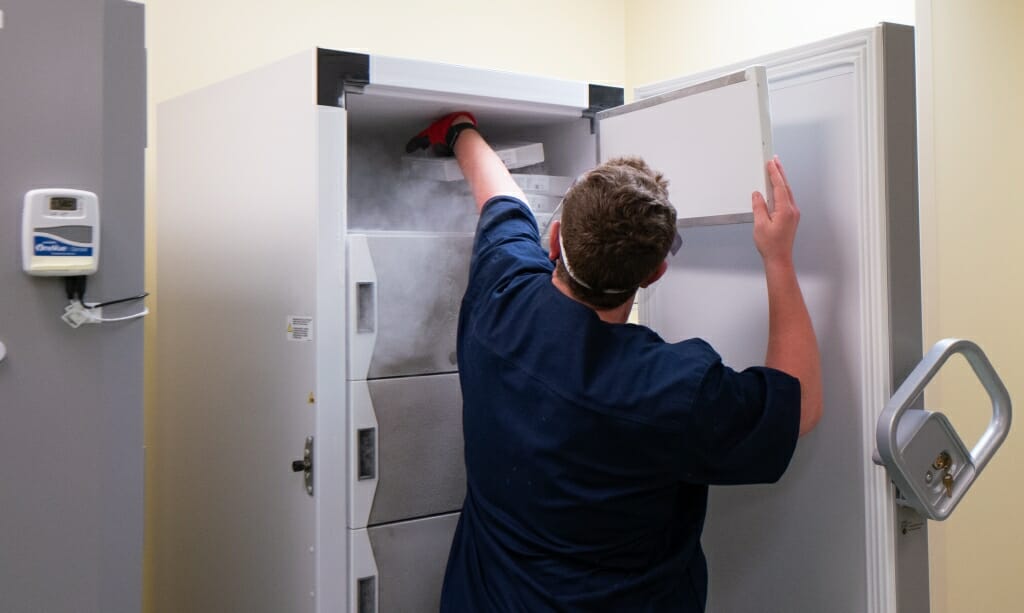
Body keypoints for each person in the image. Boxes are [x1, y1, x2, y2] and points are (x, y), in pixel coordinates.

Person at [407, 112, 823, 612]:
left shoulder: (504, 299)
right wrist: (778, 258)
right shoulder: (674, 391)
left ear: (555, 239)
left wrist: (459, 132)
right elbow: (798, 403)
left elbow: (500, 196)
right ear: (655, 273)